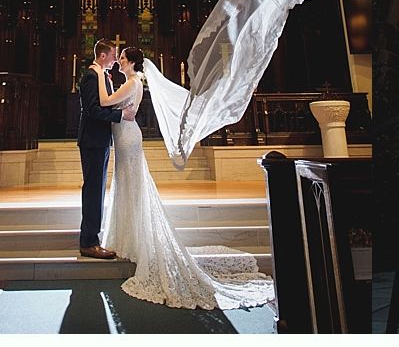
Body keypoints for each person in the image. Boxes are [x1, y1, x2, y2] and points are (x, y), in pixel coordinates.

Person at [93, 47, 273, 310]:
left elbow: (106, 101)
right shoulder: (134, 81)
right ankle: (127, 238)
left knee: (132, 187)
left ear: (132, 63)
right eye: (117, 58)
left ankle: (135, 239)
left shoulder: (132, 82)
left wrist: (99, 74)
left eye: (122, 58)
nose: (119, 61)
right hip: (124, 136)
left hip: (128, 137)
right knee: (127, 187)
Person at [77, 39, 136, 259]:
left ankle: (92, 237)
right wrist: (121, 115)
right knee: (93, 190)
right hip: (93, 140)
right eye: (113, 55)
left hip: (99, 139)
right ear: (103, 56)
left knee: (97, 189)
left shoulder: (101, 76)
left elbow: (105, 102)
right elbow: (92, 110)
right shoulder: (91, 77)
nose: (115, 59)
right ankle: (89, 242)